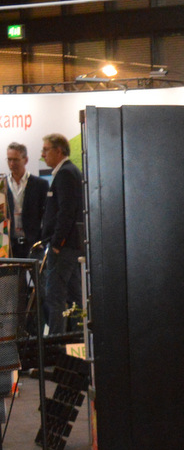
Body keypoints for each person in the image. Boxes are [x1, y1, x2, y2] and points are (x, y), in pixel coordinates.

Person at [38, 133, 84, 335]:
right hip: (70, 246)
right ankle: (78, 339)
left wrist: (56, 243)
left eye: (46, 149)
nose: (43, 154)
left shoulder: (65, 173)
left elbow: (66, 212)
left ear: (58, 151)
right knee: (74, 297)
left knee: (55, 296)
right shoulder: (69, 171)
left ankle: (56, 344)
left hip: (63, 247)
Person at [5, 142, 49, 262]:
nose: (12, 164)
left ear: (25, 160)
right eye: (9, 160)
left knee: (38, 274)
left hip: (34, 245)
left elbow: (46, 215)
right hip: (9, 247)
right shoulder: (2, 185)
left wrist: (42, 240)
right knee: (11, 275)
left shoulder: (40, 184)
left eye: (15, 160)